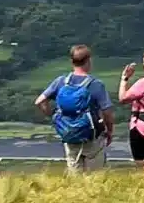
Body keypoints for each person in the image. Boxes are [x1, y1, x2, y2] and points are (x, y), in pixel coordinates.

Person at [36, 44, 112, 173]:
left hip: (69, 134)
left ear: (72, 61)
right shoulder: (96, 85)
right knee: (95, 177)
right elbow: (107, 112)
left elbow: (39, 101)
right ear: (89, 61)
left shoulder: (61, 81)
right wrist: (109, 131)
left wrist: (54, 116)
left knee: (75, 177)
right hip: (92, 136)